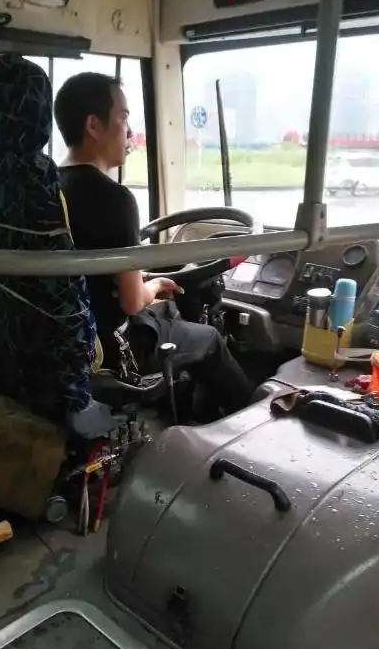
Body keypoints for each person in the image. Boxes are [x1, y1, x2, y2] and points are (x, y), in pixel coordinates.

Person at [54, 72, 254, 420]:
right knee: (209, 338)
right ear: (93, 126)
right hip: (115, 345)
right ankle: (250, 420)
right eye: (123, 117)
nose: (130, 132)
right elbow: (132, 302)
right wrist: (155, 284)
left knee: (170, 317)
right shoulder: (114, 198)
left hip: (73, 337)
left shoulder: (52, 188)